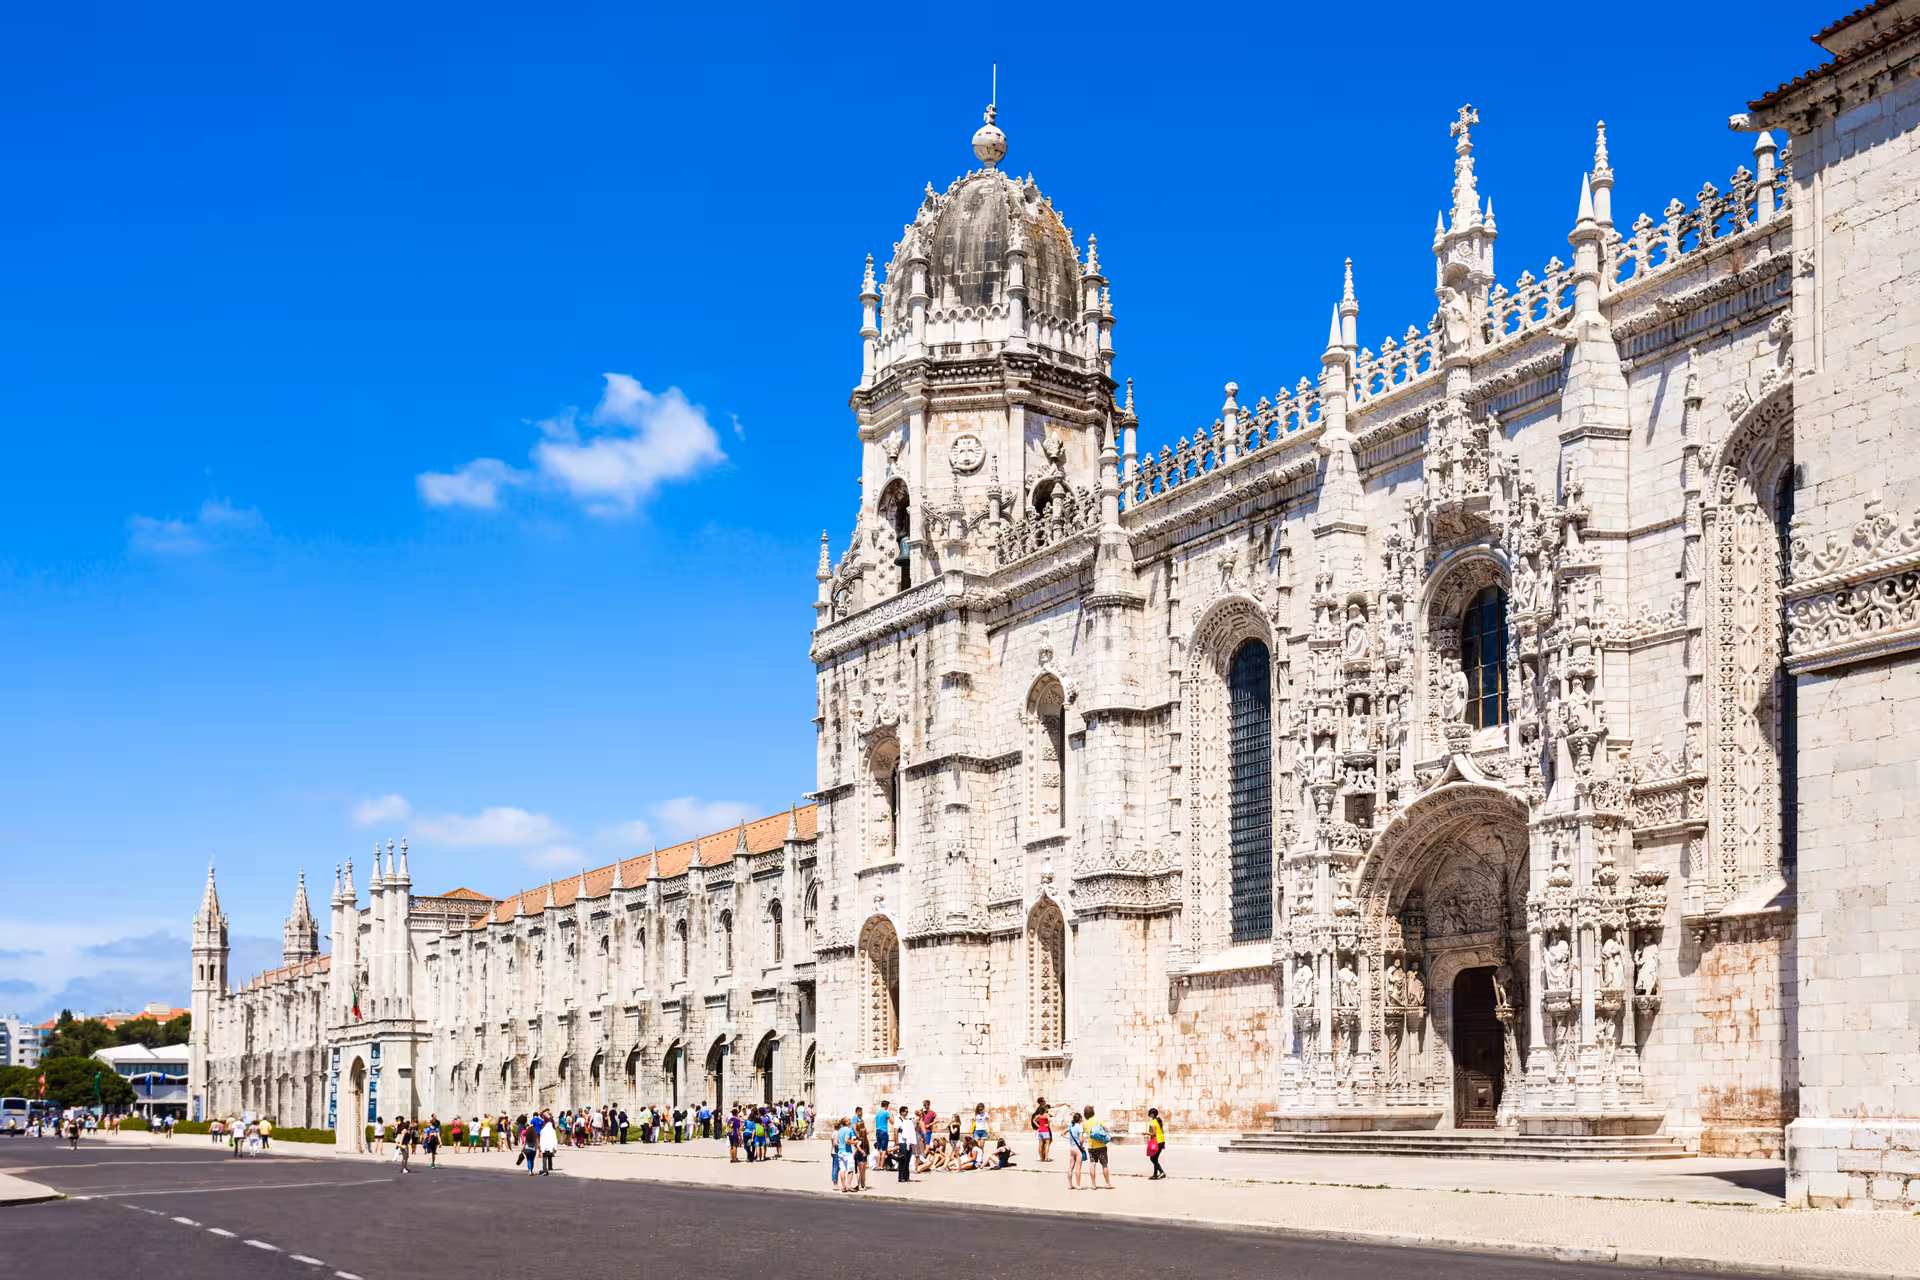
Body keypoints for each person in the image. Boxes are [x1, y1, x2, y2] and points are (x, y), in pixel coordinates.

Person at [1083, 1106, 1113, 1189]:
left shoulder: (1085, 1123)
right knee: (1104, 1165)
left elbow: (1082, 1132)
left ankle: (1093, 1184)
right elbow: (1106, 1130)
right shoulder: (1098, 1121)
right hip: (1101, 1146)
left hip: (1091, 1147)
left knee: (1092, 1164)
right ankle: (1107, 1183)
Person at [1065, 1107, 1086, 1189]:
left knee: (1071, 1166)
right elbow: (1081, 1140)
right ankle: (1078, 1185)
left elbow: (1062, 1133)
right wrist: (1082, 1143)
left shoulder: (1071, 1126)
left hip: (1071, 1147)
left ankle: (1070, 1185)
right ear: (1080, 1119)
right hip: (1078, 1149)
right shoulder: (1080, 1127)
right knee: (1078, 1168)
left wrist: (1068, 1139)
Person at [1145, 1107, 1167, 1180]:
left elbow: (1154, 1134)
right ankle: (1155, 1174)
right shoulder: (1159, 1120)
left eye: (1150, 1114)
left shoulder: (1153, 1122)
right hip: (1161, 1141)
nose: (1149, 1115)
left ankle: (1161, 1172)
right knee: (1155, 1158)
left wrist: (1146, 1133)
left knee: (1152, 1158)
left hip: (1156, 1141)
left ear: (1152, 1114)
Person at [1032, 1097, 1053, 1162]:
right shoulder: (1046, 1114)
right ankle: (1046, 1157)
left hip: (1040, 1130)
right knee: (1047, 1144)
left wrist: (1038, 1126)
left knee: (1040, 1144)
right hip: (1045, 1130)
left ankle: (1041, 1157)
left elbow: (1034, 1120)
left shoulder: (1038, 1115)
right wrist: (1048, 1124)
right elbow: (1049, 1120)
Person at [539, 1110, 558, 1174]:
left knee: (545, 1156)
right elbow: (555, 1138)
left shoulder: (544, 1128)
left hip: (546, 1143)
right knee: (549, 1155)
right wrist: (555, 1147)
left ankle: (545, 1168)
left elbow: (541, 1139)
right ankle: (550, 1166)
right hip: (550, 1143)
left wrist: (541, 1147)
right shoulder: (552, 1129)